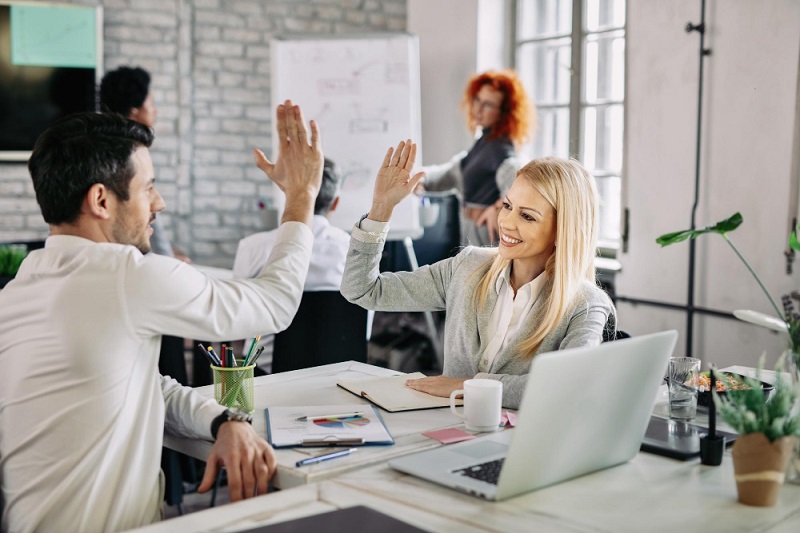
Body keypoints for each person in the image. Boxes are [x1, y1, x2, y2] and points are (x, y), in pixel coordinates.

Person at [0, 101, 323, 532]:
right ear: (101, 200)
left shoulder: (22, 286)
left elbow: (143, 387)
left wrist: (224, 419)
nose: (160, 203)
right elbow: (273, 303)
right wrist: (301, 196)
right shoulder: (125, 276)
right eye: (147, 187)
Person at [341, 140, 614, 409]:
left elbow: (568, 388)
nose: (506, 223)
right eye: (507, 206)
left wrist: (466, 385)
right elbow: (363, 289)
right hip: (449, 434)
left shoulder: (586, 304)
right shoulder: (468, 267)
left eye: (527, 216)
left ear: (562, 230)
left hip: (524, 446)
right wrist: (381, 209)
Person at [232, 158, 349, 373]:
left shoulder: (253, 247)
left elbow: (238, 320)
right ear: (335, 203)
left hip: (266, 376)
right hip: (340, 373)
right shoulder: (354, 251)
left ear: (288, 196)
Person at [420, 70, 534, 246]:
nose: (478, 109)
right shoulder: (485, 142)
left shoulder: (503, 152)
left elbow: (521, 198)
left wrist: (497, 208)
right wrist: (417, 178)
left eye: (488, 105)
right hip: (470, 234)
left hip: (486, 239)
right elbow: (452, 173)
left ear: (504, 112)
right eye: (477, 100)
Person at [100, 65, 188, 262]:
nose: (155, 111)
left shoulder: (102, 149)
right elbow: (143, 218)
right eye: (151, 103)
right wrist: (169, 261)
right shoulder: (131, 159)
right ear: (134, 112)